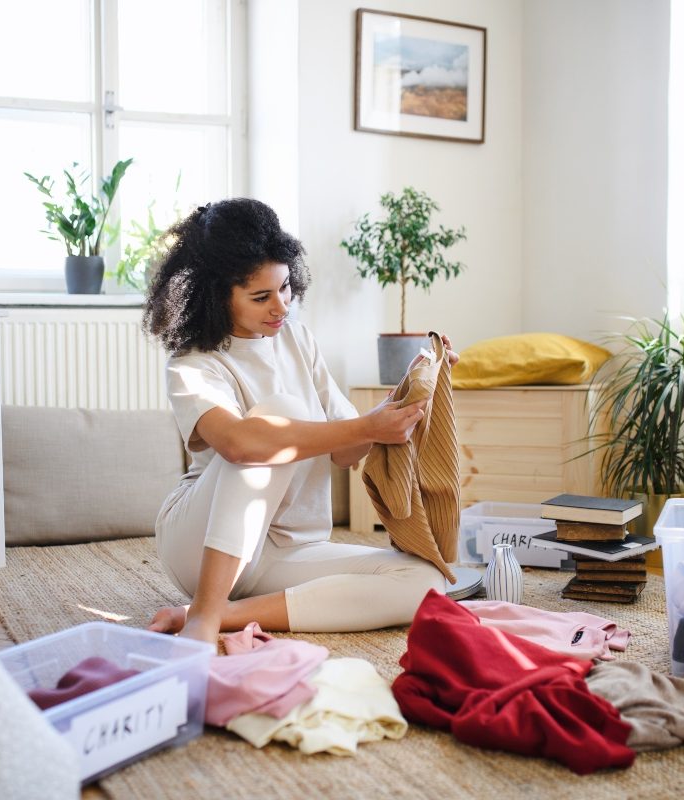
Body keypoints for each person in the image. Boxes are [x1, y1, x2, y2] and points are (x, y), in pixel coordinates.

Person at [142, 197, 458, 644]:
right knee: (278, 417)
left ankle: (223, 614)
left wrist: (408, 395)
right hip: (200, 546)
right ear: (216, 295)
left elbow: (348, 450)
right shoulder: (192, 363)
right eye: (261, 296)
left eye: (286, 287)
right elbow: (239, 444)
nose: (281, 306)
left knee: (426, 582)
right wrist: (366, 427)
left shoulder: (299, 340)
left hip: (291, 548)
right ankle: (205, 614)